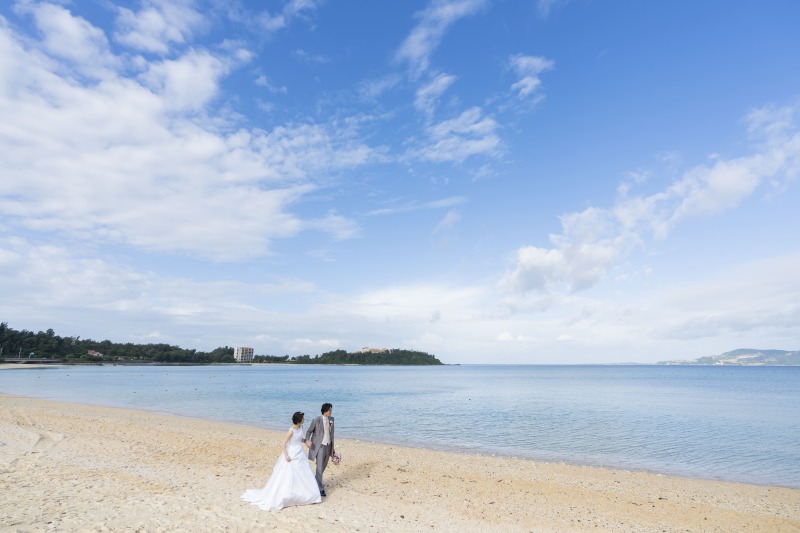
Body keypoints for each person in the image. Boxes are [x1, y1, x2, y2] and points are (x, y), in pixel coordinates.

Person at [241, 412, 321, 510]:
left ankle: (304, 493)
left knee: (302, 472)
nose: (304, 419)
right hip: (292, 453)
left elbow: (299, 438)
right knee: (289, 473)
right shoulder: (291, 431)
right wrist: (286, 455)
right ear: (299, 420)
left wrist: (306, 442)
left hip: (300, 452)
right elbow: (283, 444)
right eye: (303, 418)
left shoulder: (300, 428)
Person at [303, 402, 335, 497]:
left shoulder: (332, 419)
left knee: (324, 465)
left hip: (328, 445)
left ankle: (316, 480)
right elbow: (309, 431)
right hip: (319, 446)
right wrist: (307, 441)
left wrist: (333, 448)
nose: (331, 412)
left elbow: (331, 434)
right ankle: (320, 489)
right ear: (325, 410)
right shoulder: (316, 420)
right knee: (319, 467)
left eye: (331, 410)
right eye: (329, 410)